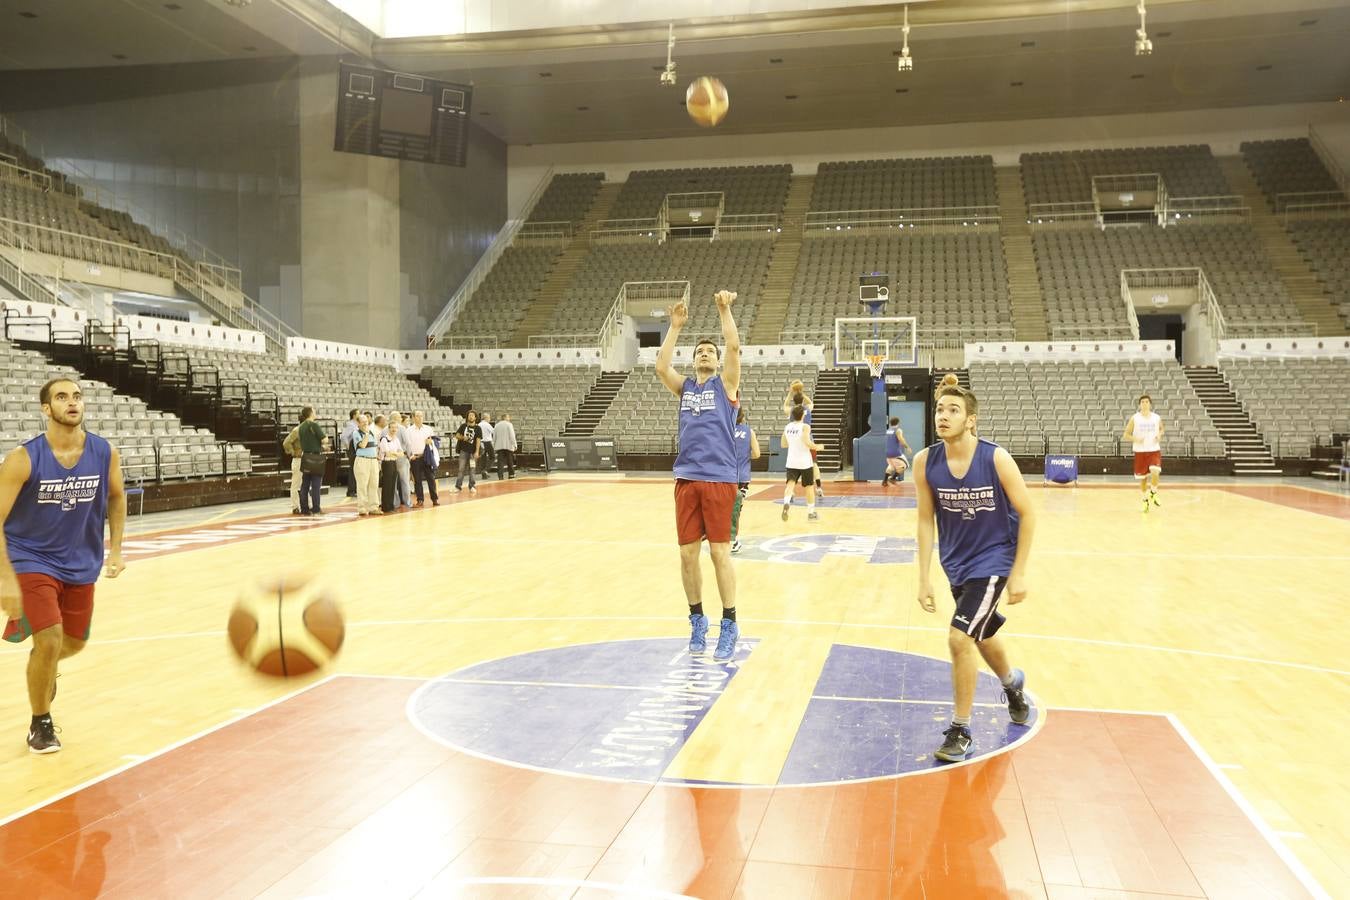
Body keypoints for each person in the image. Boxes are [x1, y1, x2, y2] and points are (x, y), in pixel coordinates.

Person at [913, 374, 1035, 763]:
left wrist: (1018, 571)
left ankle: (961, 730)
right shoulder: (924, 462)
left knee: (958, 638)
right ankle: (1012, 683)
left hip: (994, 560)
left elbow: (1028, 511)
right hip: (957, 565)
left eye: (953, 410)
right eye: (940, 410)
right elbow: (924, 521)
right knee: (980, 634)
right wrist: (923, 578)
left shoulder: (995, 457)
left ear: (971, 420)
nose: (943, 416)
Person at [1, 378, 127, 754]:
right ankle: (41, 723)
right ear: (46, 409)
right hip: (31, 557)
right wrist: (6, 579)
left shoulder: (105, 453)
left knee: (72, 643)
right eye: (61, 397)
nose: (71, 402)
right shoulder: (22, 459)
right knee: (50, 637)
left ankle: (45, 664)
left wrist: (117, 549)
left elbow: (117, 498)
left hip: (80, 560)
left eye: (76, 396)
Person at [655, 289, 742, 662]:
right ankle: (696, 619)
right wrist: (675, 327)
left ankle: (729, 623)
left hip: (721, 478)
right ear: (693, 362)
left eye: (710, 351)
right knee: (688, 555)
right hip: (687, 478)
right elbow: (661, 367)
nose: (705, 353)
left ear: (718, 361)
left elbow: (734, 346)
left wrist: (724, 310)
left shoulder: (726, 385)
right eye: (699, 351)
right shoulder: (686, 387)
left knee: (720, 553)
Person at [782, 381, 825, 498]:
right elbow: (811, 402)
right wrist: (802, 393)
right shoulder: (808, 408)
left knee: (793, 466)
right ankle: (819, 487)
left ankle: (790, 492)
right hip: (807, 438)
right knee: (814, 464)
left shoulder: (791, 410)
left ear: (794, 401)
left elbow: (784, 406)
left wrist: (791, 394)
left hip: (795, 439)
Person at [781, 405, 823, 522]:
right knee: (809, 487)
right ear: (803, 415)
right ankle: (811, 513)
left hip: (791, 461)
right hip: (804, 462)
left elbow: (783, 444)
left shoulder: (787, 427)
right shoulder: (805, 427)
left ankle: (786, 502)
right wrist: (818, 447)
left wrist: (794, 443)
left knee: (790, 484)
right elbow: (807, 441)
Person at [1123, 394, 1164, 512]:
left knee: (1155, 472)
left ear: (1150, 404)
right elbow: (1126, 434)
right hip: (1140, 452)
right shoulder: (1135, 418)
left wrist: (1159, 435)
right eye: (1142, 402)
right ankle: (1145, 500)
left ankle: (1153, 492)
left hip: (1154, 450)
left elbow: (1162, 428)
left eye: (1147, 402)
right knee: (1143, 479)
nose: (1145, 404)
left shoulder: (1156, 417)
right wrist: (1136, 439)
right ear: (1140, 405)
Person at [730, 406, 761, 554]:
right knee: (736, 509)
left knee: (722, 507)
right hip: (742, 476)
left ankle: (718, 536)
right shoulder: (749, 432)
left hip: (725, 474)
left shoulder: (725, 430)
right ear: (743, 417)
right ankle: (733, 540)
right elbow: (756, 454)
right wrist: (744, 456)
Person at [401, 411, 439, 507]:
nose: (420, 418)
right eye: (417, 416)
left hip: (426, 457)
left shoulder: (428, 429)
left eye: (421, 416)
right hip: (415, 458)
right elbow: (406, 445)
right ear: (413, 418)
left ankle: (434, 499)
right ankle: (420, 500)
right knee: (417, 480)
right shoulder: (408, 430)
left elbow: (435, 441)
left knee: (431, 478)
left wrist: (431, 441)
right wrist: (410, 456)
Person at [296, 407, 326, 516]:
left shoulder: (301, 427)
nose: (315, 412)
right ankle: (316, 508)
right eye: (314, 411)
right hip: (315, 457)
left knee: (305, 484)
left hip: (305, 456)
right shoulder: (314, 425)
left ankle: (304, 509)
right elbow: (324, 439)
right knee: (316, 485)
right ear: (311, 413)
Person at [351, 413, 380, 516]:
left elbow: (375, 446)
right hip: (362, 460)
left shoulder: (372, 433)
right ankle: (362, 508)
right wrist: (366, 434)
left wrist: (377, 456)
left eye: (366, 422)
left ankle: (373, 507)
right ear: (358, 423)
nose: (365, 424)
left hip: (373, 460)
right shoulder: (356, 433)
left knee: (374, 484)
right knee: (362, 485)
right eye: (362, 422)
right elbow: (362, 445)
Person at [376, 415, 401, 513]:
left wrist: (395, 454)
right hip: (387, 463)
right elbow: (387, 452)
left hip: (394, 462)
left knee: (392, 485)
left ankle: (391, 506)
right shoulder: (384, 439)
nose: (394, 429)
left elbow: (402, 453)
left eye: (396, 428)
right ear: (388, 429)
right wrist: (396, 453)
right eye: (392, 428)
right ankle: (385, 507)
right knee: (387, 485)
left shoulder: (396, 439)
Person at [454, 411, 481, 494]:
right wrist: (463, 437)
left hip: (473, 453)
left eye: (473, 415)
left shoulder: (478, 428)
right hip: (463, 451)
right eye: (469, 415)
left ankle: (472, 486)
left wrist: (477, 452)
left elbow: (478, 440)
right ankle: (458, 487)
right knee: (461, 469)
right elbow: (457, 435)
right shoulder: (463, 426)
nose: (471, 417)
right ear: (467, 417)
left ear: (475, 418)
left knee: (472, 469)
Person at [388, 413, 412, 508]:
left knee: (393, 482)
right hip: (401, 457)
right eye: (399, 417)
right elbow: (408, 443)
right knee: (404, 481)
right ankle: (407, 502)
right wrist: (409, 456)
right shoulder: (401, 428)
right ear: (396, 418)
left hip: (389, 458)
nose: (401, 418)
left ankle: (395, 503)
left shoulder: (386, 429)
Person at [883, 416, 913, 485]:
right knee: (905, 465)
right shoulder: (898, 430)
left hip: (888, 453)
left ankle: (884, 481)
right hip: (896, 453)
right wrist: (907, 447)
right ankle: (893, 478)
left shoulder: (888, 430)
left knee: (891, 466)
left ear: (890, 423)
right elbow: (901, 439)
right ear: (898, 422)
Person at [340, 409, 359, 498]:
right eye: (358, 413)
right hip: (352, 449)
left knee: (356, 469)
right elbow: (344, 436)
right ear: (354, 415)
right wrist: (348, 447)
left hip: (356, 449)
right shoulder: (351, 424)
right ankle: (351, 490)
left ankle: (354, 489)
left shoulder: (356, 424)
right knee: (353, 470)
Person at [494, 413, 518, 479]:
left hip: (499, 446)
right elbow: (512, 435)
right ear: (506, 417)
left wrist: (494, 445)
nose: (509, 419)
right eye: (508, 417)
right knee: (510, 461)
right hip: (508, 445)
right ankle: (511, 474)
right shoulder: (509, 425)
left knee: (500, 462)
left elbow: (494, 436)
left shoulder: (497, 425)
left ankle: (500, 476)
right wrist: (515, 444)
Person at [478, 413, 495, 479]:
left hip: (480, 442)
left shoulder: (478, 425)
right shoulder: (487, 425)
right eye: (489, 418)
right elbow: (493, 431)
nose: (489, 419)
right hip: (487, 442)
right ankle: (485, 470)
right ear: (486, 418)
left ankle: (483, 474)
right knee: (492, 457)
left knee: (483, 458)